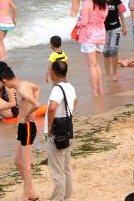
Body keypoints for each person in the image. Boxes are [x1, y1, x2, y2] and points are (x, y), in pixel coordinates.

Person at [0, 65, 40, 201]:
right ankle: (31, 192)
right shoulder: (25, 84)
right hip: (23, 126)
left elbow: (36, 104)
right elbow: (37, 88)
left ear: (5, 81)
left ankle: (25, 196)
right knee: (18, 161)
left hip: (27, 126)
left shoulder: (22, 89)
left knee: (26, 163)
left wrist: (27, 115)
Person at [45, 60, 77, 201]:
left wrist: (50, 126)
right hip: (68, 130)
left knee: (57, 171)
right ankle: (66, 197)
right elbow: (75, 102)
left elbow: (52, 107)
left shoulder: (57, 89)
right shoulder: (70, 86)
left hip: (57, 132)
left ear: (52, 72)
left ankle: (57, 198)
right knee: (66, 168)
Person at [77, 0, 109, 97]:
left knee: (92, 65)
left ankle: (94, 92)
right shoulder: (104, 4)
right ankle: (101, 90)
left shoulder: (87, 4)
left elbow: (84, 22)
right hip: (100, 35)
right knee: (96, 65)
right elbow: (103, 18)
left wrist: (78, 23)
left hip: (89, 36)